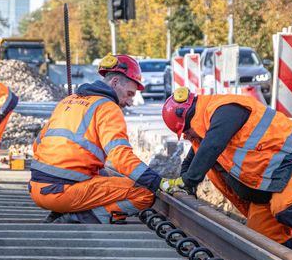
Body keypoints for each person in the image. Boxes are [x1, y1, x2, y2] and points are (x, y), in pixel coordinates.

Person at [161, 87, 292, 260]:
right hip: (269, 188)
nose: (188, 136)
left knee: (288, 204)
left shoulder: (224, 110)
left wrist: (188, 181)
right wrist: (182, 183)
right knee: (258, 245)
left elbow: (211, 147)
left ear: (187, 118)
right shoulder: (205, 131)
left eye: (186, 132)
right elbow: (193, 158)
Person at [29, 54, 182, 224]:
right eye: (129, 94)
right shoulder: (108, 108)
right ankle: (74, 217)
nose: (130, 102)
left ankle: (63, 210)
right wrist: (157, 182)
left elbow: (38, 145)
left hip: (37, 189)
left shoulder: (68, 101)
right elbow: (120, 157)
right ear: (115, 82)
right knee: (143, 193)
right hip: (62, 193)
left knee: (104, 173)